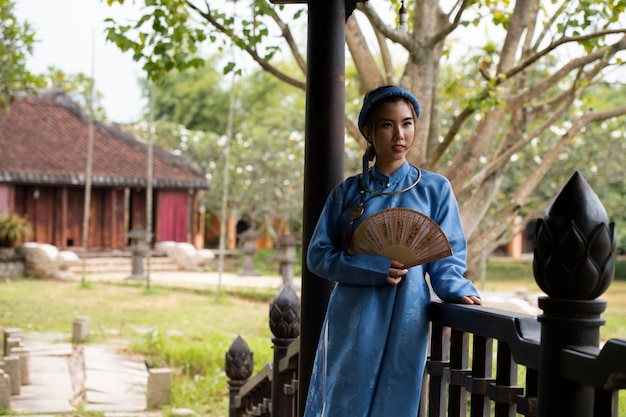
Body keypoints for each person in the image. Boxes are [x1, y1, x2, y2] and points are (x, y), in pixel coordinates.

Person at [304, 85, 482, 417]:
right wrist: (371, 267)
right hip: (353, 312)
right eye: (387, 125)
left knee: (396, 399)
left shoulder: (435, 189)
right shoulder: (346, 193)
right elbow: (318, 255)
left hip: (408, 313)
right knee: (345, 399)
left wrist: (455, 288)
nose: (399, 134)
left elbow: (447, 256)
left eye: (407, 123)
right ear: (369, 132)